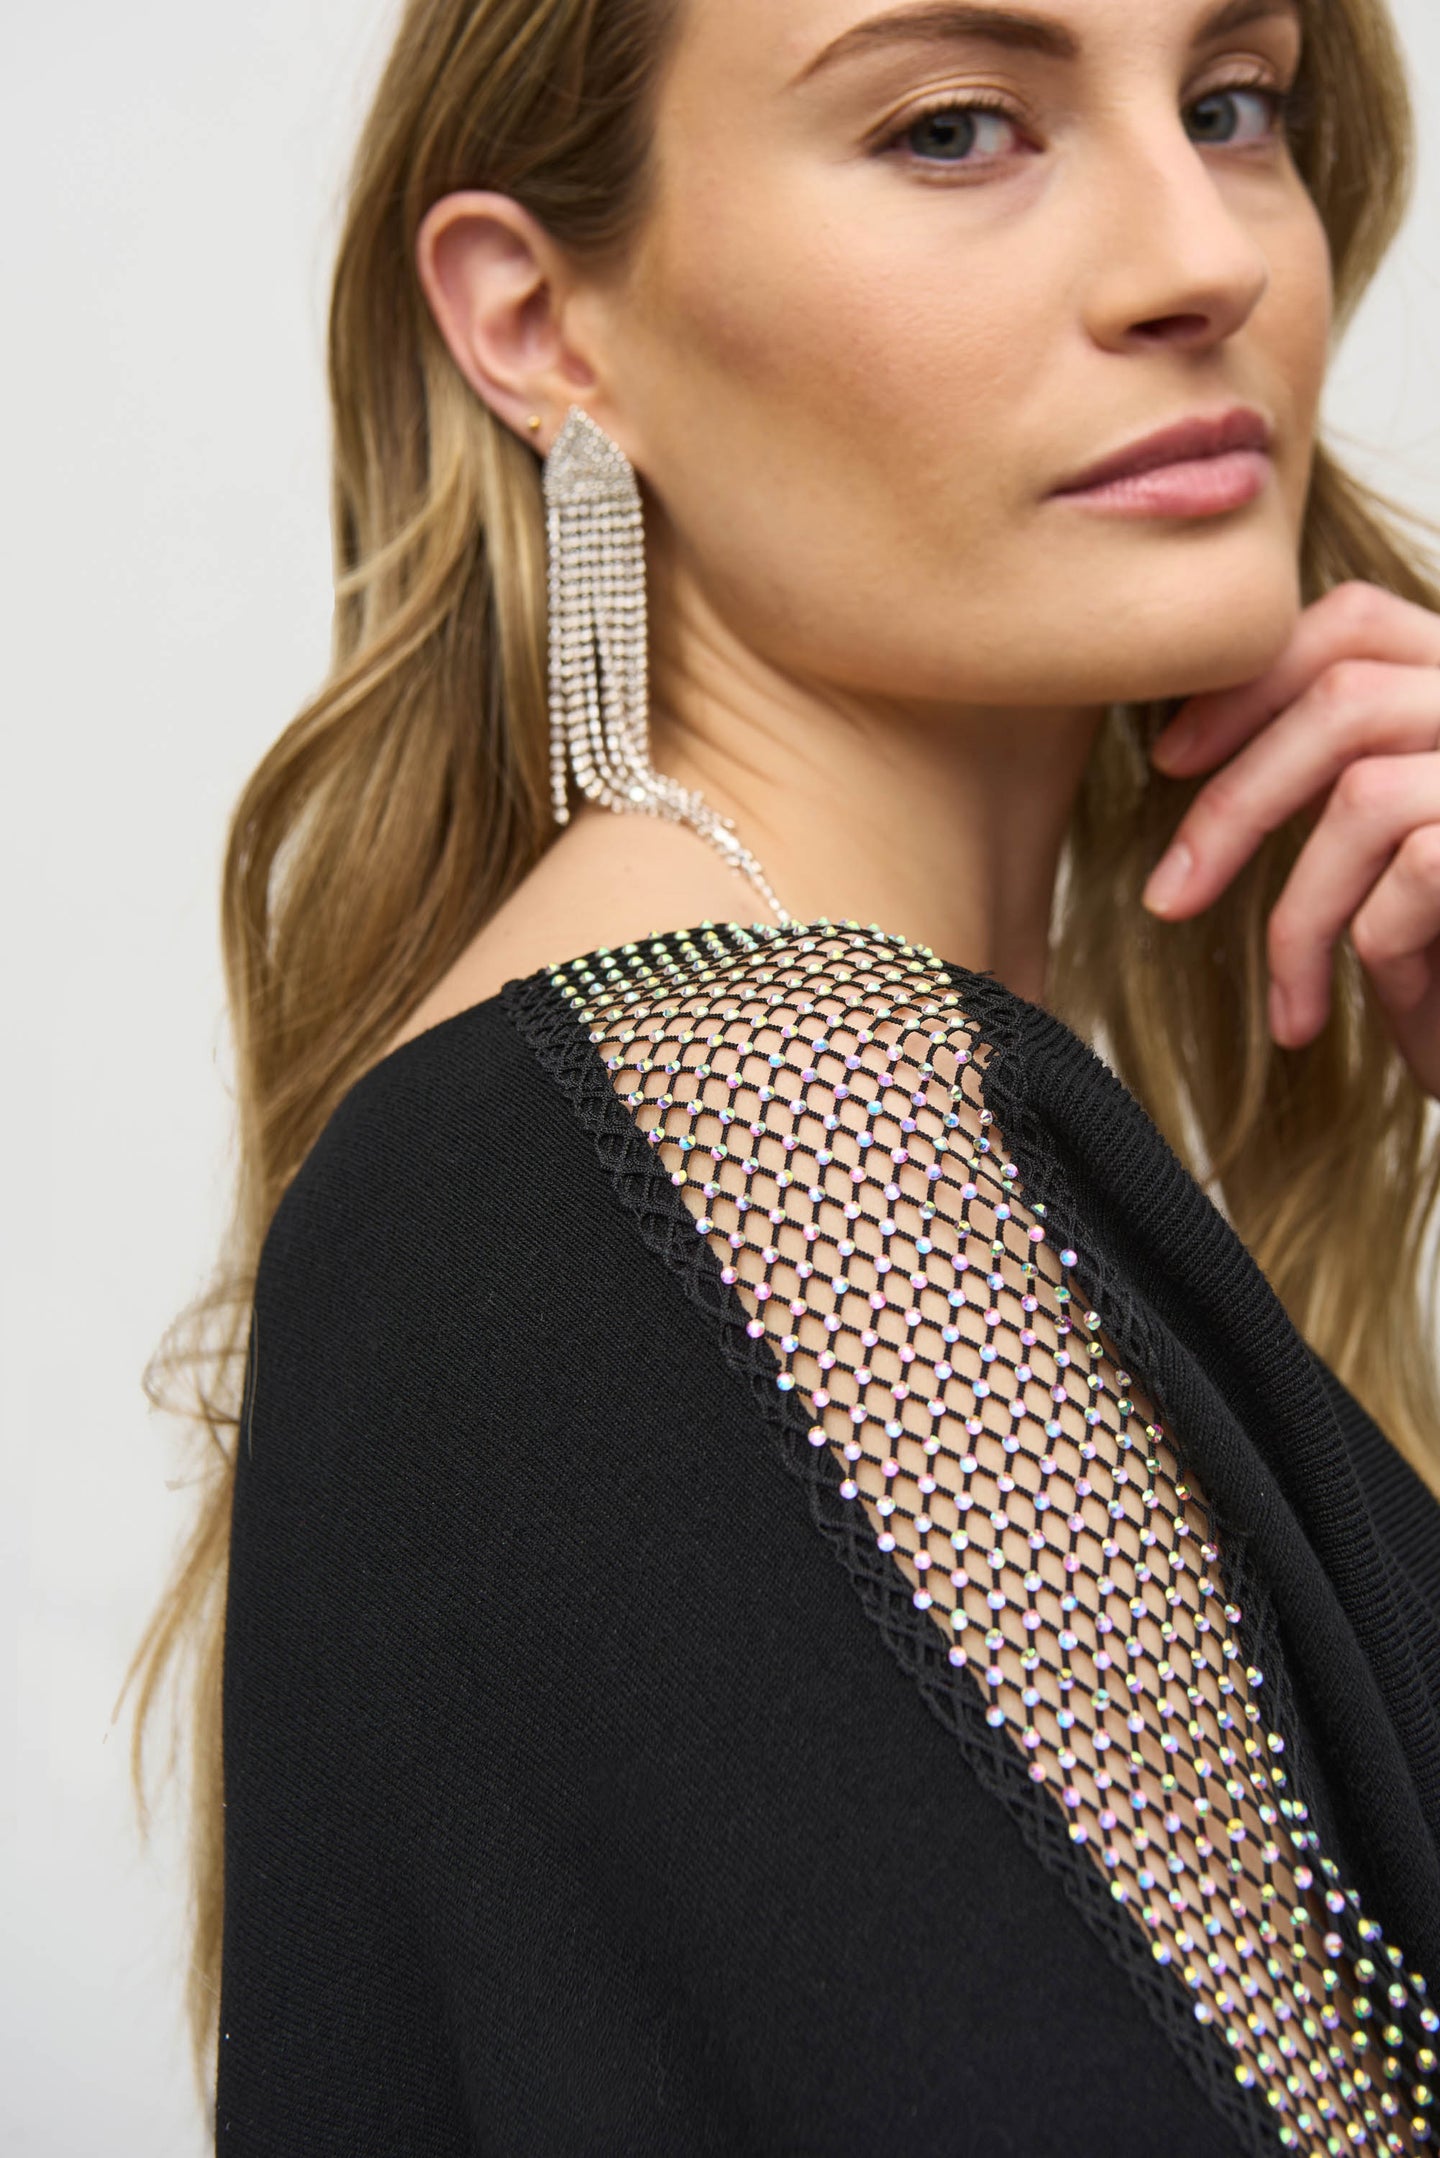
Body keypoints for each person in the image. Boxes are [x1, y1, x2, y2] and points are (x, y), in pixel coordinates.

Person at [127, 0, 1440, 2149]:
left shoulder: (740, 1126)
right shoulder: (768, 1110)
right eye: (956, 127)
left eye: (1232, 103)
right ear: (543, 323)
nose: (1203, 254)